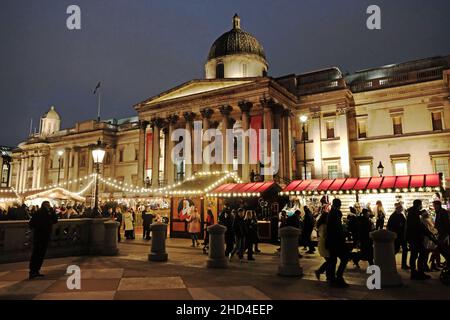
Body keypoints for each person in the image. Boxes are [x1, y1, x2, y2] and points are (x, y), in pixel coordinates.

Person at [28, 201, 58, 279]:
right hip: (43, 236)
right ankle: (34, 271)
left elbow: (31, 224)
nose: (49, 206)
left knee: (38, 254)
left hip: (39, 236)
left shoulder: (39, 213)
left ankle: (34, 271)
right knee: (39, 254)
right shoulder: (47, 213)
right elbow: (55, 220)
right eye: (48, 205)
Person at [406, 199, 434, 280]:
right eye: (420, 204)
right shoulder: (414, 213)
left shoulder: (413, 212)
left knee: (415, 255)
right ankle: (418, 272)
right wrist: (427, 233)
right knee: (422, 253)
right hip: (415, 238)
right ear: (418, 205)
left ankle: (415, 272)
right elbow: (418, 226)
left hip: (413, 237)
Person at [326, 198, 349, 287]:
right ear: (339, 205)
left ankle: (332, 279)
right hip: (337, 241)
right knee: (344, 258)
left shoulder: (331, 213)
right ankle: (338, 277)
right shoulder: (336, 213)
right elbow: (337, 229)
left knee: (333, 260)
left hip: (331, 241)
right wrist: (343, 234)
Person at [387, 202, 409, 269]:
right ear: (398, 209)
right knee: (396, 249)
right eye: (400, 208)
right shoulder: (393, 216)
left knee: (404, 249)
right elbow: (390, 226)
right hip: (397, 236)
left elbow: (404, 223)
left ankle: (403, 264)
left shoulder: (401, 215)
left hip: (401, 236)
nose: (401, 209)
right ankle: (389, 261)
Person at [315, 210, 330, 281]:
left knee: (329, 260)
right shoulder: (323, 226)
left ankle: (327, 275)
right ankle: (319, 271)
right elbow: (324, 235)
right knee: (330, 260)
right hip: (324, 245)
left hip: (323, 244)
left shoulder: (323, 225)